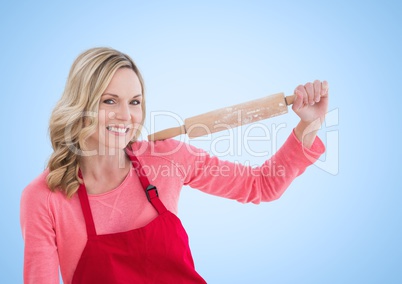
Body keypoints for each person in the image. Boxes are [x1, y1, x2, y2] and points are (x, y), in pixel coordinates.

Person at [20, 47, 328, 283]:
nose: (126, 116)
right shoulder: (45, 198)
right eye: (109, 101)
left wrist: (309, 126)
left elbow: (260, 186)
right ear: (81, 105)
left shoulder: (165, 158)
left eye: (135, 102)